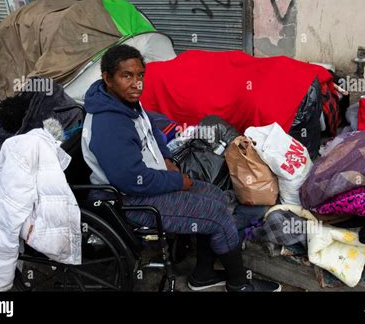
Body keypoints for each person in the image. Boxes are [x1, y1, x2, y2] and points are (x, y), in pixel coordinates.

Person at [81, 44, 281, 292]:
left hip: (154, 181)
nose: (137, 83)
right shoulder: (108, 123)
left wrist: (167, 159)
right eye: (126, 76)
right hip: (132, 201)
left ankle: (203, 275)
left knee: (219, 197)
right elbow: (132, 180)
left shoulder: (125, 103)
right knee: (218, 216)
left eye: (140, 75)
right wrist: (178, 182)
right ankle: (239, 285)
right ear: (107, 79)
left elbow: (151, 130)